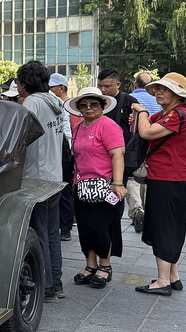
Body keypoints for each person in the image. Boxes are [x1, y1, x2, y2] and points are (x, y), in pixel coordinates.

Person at [131, 73, 186, 296]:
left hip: (168, 179)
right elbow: (147, 124)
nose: (158, 92)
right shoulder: (170, 113)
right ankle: (173, 276)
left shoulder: (178, 114)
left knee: (164, 229)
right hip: (170, 179)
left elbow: (146, 131)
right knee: (171, 228)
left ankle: (162, 281)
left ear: (177, 93)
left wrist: (140, 111)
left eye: (164, 89)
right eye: (157, 89)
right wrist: (142, 116)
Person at [16, 61, 65, 301]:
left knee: (40, 233)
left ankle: (45, 287)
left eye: (17, 82)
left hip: (37, 178)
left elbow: (21, 138)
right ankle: (56, 281)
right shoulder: (55, 101)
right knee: (52, 233)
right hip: (55, 176)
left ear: (24, 83)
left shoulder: (33, 103)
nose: (17, 87)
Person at [68, 87, 126, 289]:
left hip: (106, 186)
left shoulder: (108, 126)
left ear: (102, 106)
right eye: (83, 105)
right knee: (85, 228)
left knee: (102, 228)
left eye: (93, 104)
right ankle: (90, 265)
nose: (88, 108)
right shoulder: (77, 128)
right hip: (82, 187)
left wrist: (117, 183)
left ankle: (105, 266)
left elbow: (118, 154)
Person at [97, 68, 139, 230]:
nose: (103, 90)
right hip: (99, 158)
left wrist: (135, 118)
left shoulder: (130, 102)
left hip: (120, 157)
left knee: (116, 192)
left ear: (118, 84)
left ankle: (113, 224)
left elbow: (140, 126)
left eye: (107, 86)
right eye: (100, 86)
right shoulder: (96, 102)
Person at [125, 72, 161, 231]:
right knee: (147, 176)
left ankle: (137, 211)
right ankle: (148, 213)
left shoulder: (130, 99)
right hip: (154, 145)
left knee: (133, 179)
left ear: (135, 85)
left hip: (135, 144)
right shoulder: (158, 101)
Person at [49, 73, 75, 241]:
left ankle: (65, 227)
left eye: (51, 87)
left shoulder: (66, 106)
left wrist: (70, 149)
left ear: (61, 88)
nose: (49, 90)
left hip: (64, 149)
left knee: (64, 188)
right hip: (58, 149)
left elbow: (67, 130)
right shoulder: (54, 102)